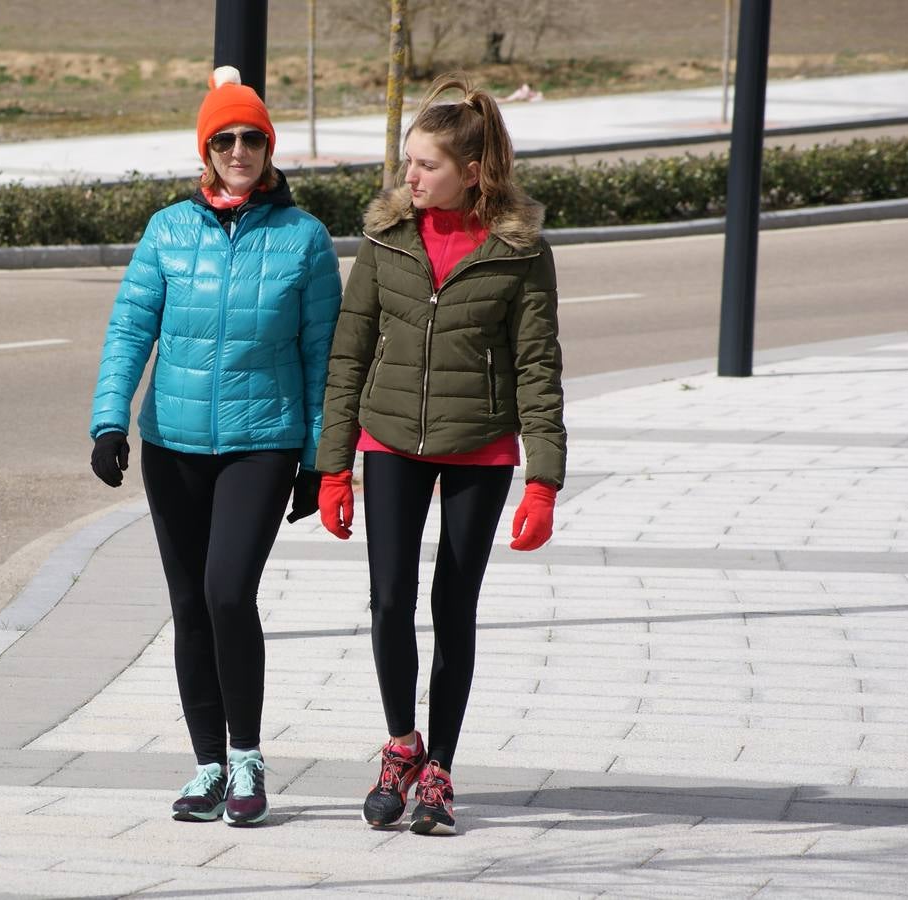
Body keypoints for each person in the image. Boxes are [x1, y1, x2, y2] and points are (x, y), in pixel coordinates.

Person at [89, 66, 342, 827]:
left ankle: (247, 758)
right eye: (225, 138)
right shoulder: (168, 229)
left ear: (269, 147)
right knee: (191, 605)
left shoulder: (304, 239)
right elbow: (131, 329)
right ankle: (206, 768)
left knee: (229, 592)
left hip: (261, 443)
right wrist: (109, 421)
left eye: (252, 138)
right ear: (207, 148)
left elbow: (325, 357)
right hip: (172, 446)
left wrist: (320, 459)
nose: (239, 149)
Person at [315, 73, 566, 836]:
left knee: (453, 607)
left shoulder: (519, 252)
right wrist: (333, 463)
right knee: (390, 599)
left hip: (479, 449)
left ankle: (441, 773)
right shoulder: (386, 238)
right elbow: (348, 350)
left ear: (473, 174)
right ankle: (401, 747)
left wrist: (543, 481)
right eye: (407, 161)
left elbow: (537, 367)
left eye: (425, 165)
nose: (409, 176)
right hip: (388, 438)